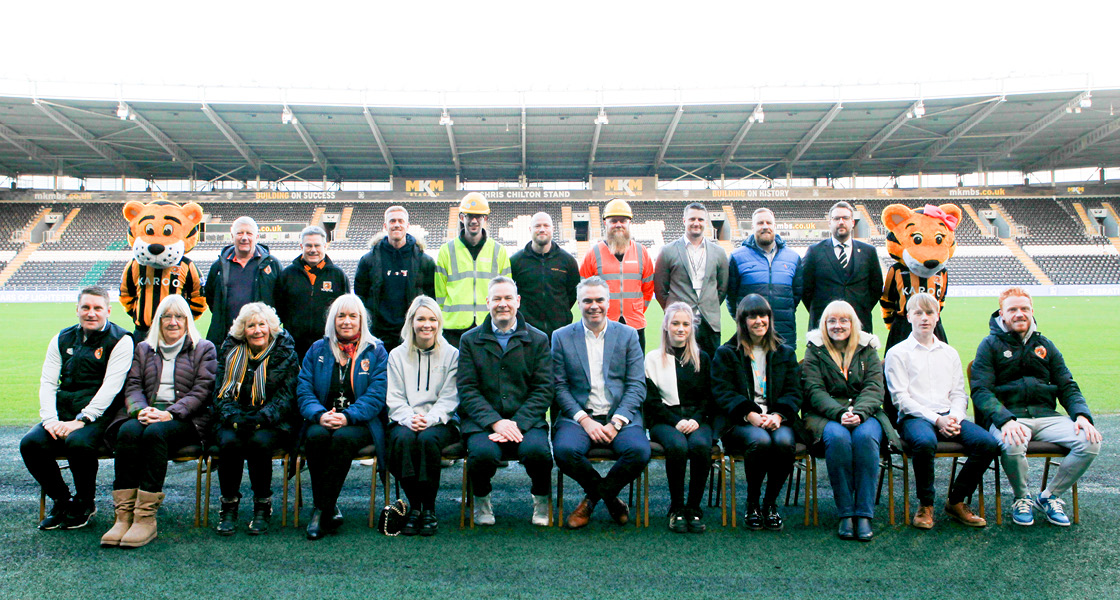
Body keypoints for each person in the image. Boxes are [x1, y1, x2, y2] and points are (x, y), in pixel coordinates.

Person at [970, 287, 1102, 527]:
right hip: (1011, 418)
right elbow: (981, 390)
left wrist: (1082, 415)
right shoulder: (989, 345)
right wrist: (1005, 420)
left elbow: (1067, 385)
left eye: (1024, 309)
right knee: (1012, 441)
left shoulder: (1046, 345)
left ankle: (1049, 496)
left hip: (1047, 416)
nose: (1019, 314)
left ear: (1032, 311)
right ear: (1002, 313)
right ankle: (1022, 498)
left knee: (1090, 441)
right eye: (1013, 309)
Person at [102, 294, 217, 548]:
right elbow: (132, 386)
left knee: (156, 434)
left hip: (187, 420)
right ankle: (123, 516)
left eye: (179, 316)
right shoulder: (143, 348)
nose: (173, 322)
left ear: (187, 320)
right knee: (128, 431)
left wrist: (170, 413)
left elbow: (202, 390)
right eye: (167, 316)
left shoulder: (203, 348)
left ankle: (145, 519)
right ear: (159, 320)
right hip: (147, 414)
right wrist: (140, 410)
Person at [21, 286, 134, 530]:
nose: (91, 313)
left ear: (108, 311)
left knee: (78, 442)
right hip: (63, 411)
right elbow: (48, 382)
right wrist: (50, 419)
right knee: (30, 444)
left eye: (97, 308)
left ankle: (85, 502)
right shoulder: (61, 338)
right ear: (77, 310)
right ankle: (62, 500)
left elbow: (111, 386)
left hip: (101, 413)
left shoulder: (121, 340)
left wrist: (83, 419)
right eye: (86, 307)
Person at [885, 292, 998, 529]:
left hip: (949, 415)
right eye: (918, 313)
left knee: (987, 443)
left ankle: (956, 501)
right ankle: (926, 505)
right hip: (914, 418)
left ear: (937, 317)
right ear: (908, 317)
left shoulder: (949, 352)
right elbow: (901, 399)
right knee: (925, 442)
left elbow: (958, 393)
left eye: (929, 313)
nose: (924, 318)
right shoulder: (897, 352)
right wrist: (938, 420)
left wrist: (954, 418)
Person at [551, 276, 650, 528]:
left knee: (639, 451)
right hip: (579, 418)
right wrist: (585, 420)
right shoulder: (561, 337)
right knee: (563, 451)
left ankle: (592, 499)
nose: (594, 306)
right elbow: (559, 387)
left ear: (609, 302)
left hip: (620, 418)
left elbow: (637, 385)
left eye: (599, 300)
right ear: (578, 303)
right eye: (587, 301)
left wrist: (616, 422)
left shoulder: (628, 335)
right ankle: (612, 500)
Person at [457, 277, 554, 526]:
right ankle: (481, 500)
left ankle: (541, 499)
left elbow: (543, 389)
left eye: (508, 298)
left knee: (538, 453)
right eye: (497, 299)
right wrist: (495, 422)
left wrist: (517, 423)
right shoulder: (469, 340)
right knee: (482, 454)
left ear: (518, 301)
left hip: (526, 422)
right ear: (487, 302)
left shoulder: (538, 339)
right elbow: (467, 389)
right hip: (483, 423)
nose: (503, 304)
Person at [801, 300, 898, 541]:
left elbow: (875, 387)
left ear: (853, 323)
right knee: (838, 437)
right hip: (826, 415)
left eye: (844, 320)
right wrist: (839, 413)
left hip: (867, 413)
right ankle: (846, 512)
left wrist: (860, 412)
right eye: (832, 320)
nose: (838, 325)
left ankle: (864, 513)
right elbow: (813, 390)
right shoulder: (815, 349)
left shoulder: (868, 348)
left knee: (866, 437)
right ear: (824, 324)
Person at [296, 294, 388, 540]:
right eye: (341, 316)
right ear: (332, 320)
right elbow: (304, 389)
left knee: (342, 439)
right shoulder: (317, 349)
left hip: (360, 422)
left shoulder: (376, 351)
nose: (347, 321)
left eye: (352, 316)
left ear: (361, 320)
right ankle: (328, 506)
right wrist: (318, 415)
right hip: (322, 418)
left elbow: (376, 397)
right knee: (316, 438)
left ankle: (320, 511)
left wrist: (347, 416)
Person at [711, 294, 801, 531]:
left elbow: (794, 391)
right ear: (742, 320)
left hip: (776, 419)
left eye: (763, 316)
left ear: (770, 319)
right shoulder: (727, 352)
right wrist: (749, 413)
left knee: (783, 442)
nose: (759, 321)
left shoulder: (784, 352)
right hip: (739, 422)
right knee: (760, 441)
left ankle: (770, 503)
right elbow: (723, 392)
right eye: (752, 316)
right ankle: (752, 503)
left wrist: (778, 415)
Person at [212, 302, 299, 536]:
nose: (257, 330)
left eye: (262, 324)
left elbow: (287, 395)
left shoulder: (286, 352)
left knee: (259, 442)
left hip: (273, 419)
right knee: (230, 442)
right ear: (243, 330)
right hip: (235, 416)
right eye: (251, 326)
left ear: (271, 327)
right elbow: (219, 391)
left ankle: (262, 506)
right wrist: (234, 417)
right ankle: (228, 506)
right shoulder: (230, 351)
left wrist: (261, 417)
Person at [385, 296, 460, 536]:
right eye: (421, 319)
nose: (426, 325)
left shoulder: (452, 354)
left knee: (427, 441)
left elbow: (450, 397)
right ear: (411, 322)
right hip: (405, 420)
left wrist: (429, 419)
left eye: (432, 319)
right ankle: (414, 507)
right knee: (404, 440)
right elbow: (394, 397)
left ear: (439, 323)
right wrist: (410, 418)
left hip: (441, 422)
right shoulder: (396, 355)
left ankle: (429, 508)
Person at [644, 302, 714, 533]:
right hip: (665, 420)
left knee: (701, 445)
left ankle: (693, 508)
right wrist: (676, 421)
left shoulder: (701, 358)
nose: (680, 329)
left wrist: (695, 419)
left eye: (685, 324)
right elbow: (652, 402)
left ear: (692, 328)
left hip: (696, 419)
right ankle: (676, 509)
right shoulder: (653, 359)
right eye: (675, 323)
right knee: (677, 446)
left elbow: (708, 397)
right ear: (666, 326)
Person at [355, 205, 436, 353]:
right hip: (378, 335)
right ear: (385, 226)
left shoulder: (425, 261)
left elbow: (431, 298)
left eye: (400, 221)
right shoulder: (368, 260)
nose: (396, 224)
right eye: (392, 221)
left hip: (411, 334)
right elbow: (360, 296)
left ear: (407, 225)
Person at [653, 203, 729, 357]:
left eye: (700, 219)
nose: (696, 223)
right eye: (692, 219)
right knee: (679, 370)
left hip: (710, 323)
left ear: (706, 222)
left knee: (711, 371)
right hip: (679, 323)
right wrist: (673, 311)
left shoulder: (719, 253)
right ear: (684, 220)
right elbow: (660, 289)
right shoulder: (668, 251)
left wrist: (708, 304)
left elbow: (722, 288)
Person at [436, 193, 511, 347]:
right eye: (470, 216)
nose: (474, 220)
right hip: (454, 329)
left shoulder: (499, 251)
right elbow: (440, 295)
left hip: (489, 325)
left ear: (485, 219)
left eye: (479, 216)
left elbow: (507, 291)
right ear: (462, 218)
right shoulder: (446, 251)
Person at [579, 198, 655, 349]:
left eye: (623, 220)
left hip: (635, 326)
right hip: (602, 326)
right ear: (605, 223)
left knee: (635, 369)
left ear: (629, 223)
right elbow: (583, 291)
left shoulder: (642, 252)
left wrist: (634, 309)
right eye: (613, 221)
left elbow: (648, 290)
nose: (618, 225)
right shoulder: (593, 254)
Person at [801, 201, 882, 335]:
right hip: (824, 325)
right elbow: (805, 288)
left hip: (860, 324)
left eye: (845, 218)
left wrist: (861, 307)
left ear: (853, 222)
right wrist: (822, 310)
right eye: (836, 218)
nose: (841, 222)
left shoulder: (869, 252)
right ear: (830, 223)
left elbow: (876, 287)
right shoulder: (815, 251)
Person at [726, 207, 803, 347]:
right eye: (760, 223)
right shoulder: (737, 257)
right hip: (750, 335)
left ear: (775, 226)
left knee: (783, 368)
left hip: (784, 333)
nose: (765, 226)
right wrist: (744, 321)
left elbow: (796, 296)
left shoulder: (793, 258)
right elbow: (731, 297)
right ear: (753, 227)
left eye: (768, 223)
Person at [204, 217, 283, 348]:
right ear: (232, 236)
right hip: (227, 338)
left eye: (249, 233)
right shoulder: (218, 266)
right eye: (240, 233)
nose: (244, 238)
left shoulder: (272, 264)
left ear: (257, 236)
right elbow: (211, 298)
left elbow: (281, 300)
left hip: (262, 339)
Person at [274, 225, 350, 360]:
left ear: (325, 246)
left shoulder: (338, 276)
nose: (313, 250)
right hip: (294, 348)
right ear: (301, 246)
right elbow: (278, 312)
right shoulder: (287, 275)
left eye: (317, 245)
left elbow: (346, 311)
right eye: (308, 246)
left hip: (329, 346)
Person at [510, 211, 580, 341]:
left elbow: (572, 293)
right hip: (526, 334)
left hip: (560, 333)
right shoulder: (516, 262)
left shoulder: (568, 261)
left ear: (553, 229)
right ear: (530, 229)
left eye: (546, 226)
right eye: (537, 226)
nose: (542, 229)